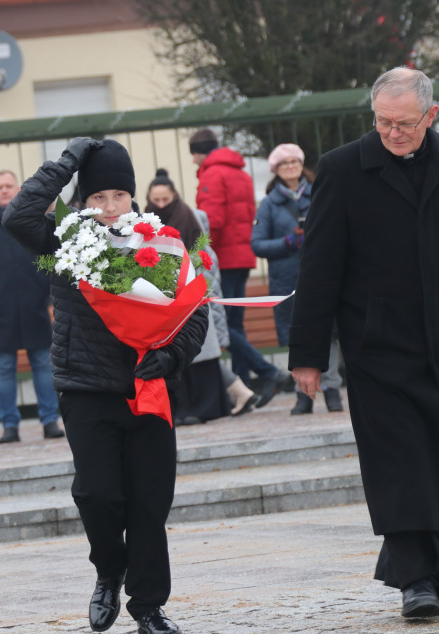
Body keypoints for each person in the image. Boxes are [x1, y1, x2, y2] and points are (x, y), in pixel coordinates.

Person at [289, 67, 439, 619]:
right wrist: (308, 356)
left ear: (432, 115)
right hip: (377, 347)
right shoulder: (342, 169)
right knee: (399, 460)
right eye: (382, 122)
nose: (392, 133)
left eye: (404, 123)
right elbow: (320, 268)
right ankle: (416, 581)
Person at [3, 138, 207, 634]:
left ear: (132, 198)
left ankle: (148, 606)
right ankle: (108, 571)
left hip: (148, 388)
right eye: (99, 197)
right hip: (87, 389)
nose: (110, 207)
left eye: (119, 195)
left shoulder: (161, 242)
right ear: (83, 199)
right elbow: (17, 216)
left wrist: (173, 354)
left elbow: (194, 310)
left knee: (148, 503)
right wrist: (68, 163)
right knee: (98, 496)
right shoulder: (65, 240)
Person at [0, 170, 64, 444]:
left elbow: (52, 254)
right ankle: (9, 426)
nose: (4, 190)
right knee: (4, 367)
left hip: (35, 306)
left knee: (43, 364)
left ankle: (50, 421)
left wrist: (46, 289)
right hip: (0, 309)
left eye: (9, 186)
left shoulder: (34, 219)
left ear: (18, 189)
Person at [190, 128, 290, 405]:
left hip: (224, 258)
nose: (194, 162)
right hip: (243, 255)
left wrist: (204, 254)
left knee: (222, 322)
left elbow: (213, 221)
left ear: (198, 152)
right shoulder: (240, 172)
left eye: (194, 156)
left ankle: (268, 371)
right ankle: (243, 388)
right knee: (234, 322)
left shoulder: (212, 173)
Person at [251, 143, 343, 415]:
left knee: (329, 333)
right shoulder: (268, 204)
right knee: (295, 334)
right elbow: (258, 245)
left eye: (295, 162)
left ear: (303, 165)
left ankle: (332, 390)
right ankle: (304, 395)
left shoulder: (320, 193)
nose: (291, 167)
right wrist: (289, 242)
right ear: (276, 170)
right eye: (284, 163)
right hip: (287, 280)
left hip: (322, 276)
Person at [145, 169, 233, 425]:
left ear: (174, 195)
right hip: (162, 298)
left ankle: (206, 407)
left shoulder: (188, 217)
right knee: (174, 353)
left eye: (165, 199)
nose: (161, 205)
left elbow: (203, 256)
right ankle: (180, 409)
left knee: (201, 351)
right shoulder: (145, 221)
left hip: (193, 292)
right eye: (156, 200)